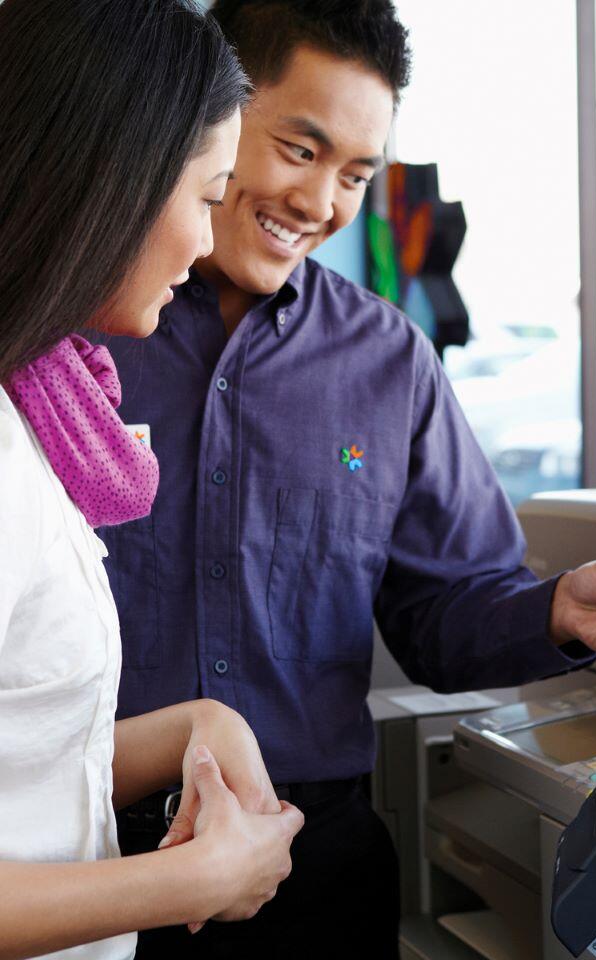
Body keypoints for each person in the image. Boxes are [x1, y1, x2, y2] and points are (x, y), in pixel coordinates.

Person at [97, 1, 596, 956]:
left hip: (310, 872)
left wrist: (553, 613)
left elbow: (440, 618)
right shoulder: (77, 326)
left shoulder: (390, 362)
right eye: (300, 150)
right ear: (210, 115)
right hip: (89, 854)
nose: (321, 202)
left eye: (355, 176)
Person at [0, 1, 305, 957]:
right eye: (207, 196)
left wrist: (199, 724)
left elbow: (27, 766)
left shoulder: (31, 403)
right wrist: (199, 879)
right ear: (113, 181)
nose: (208, 244)